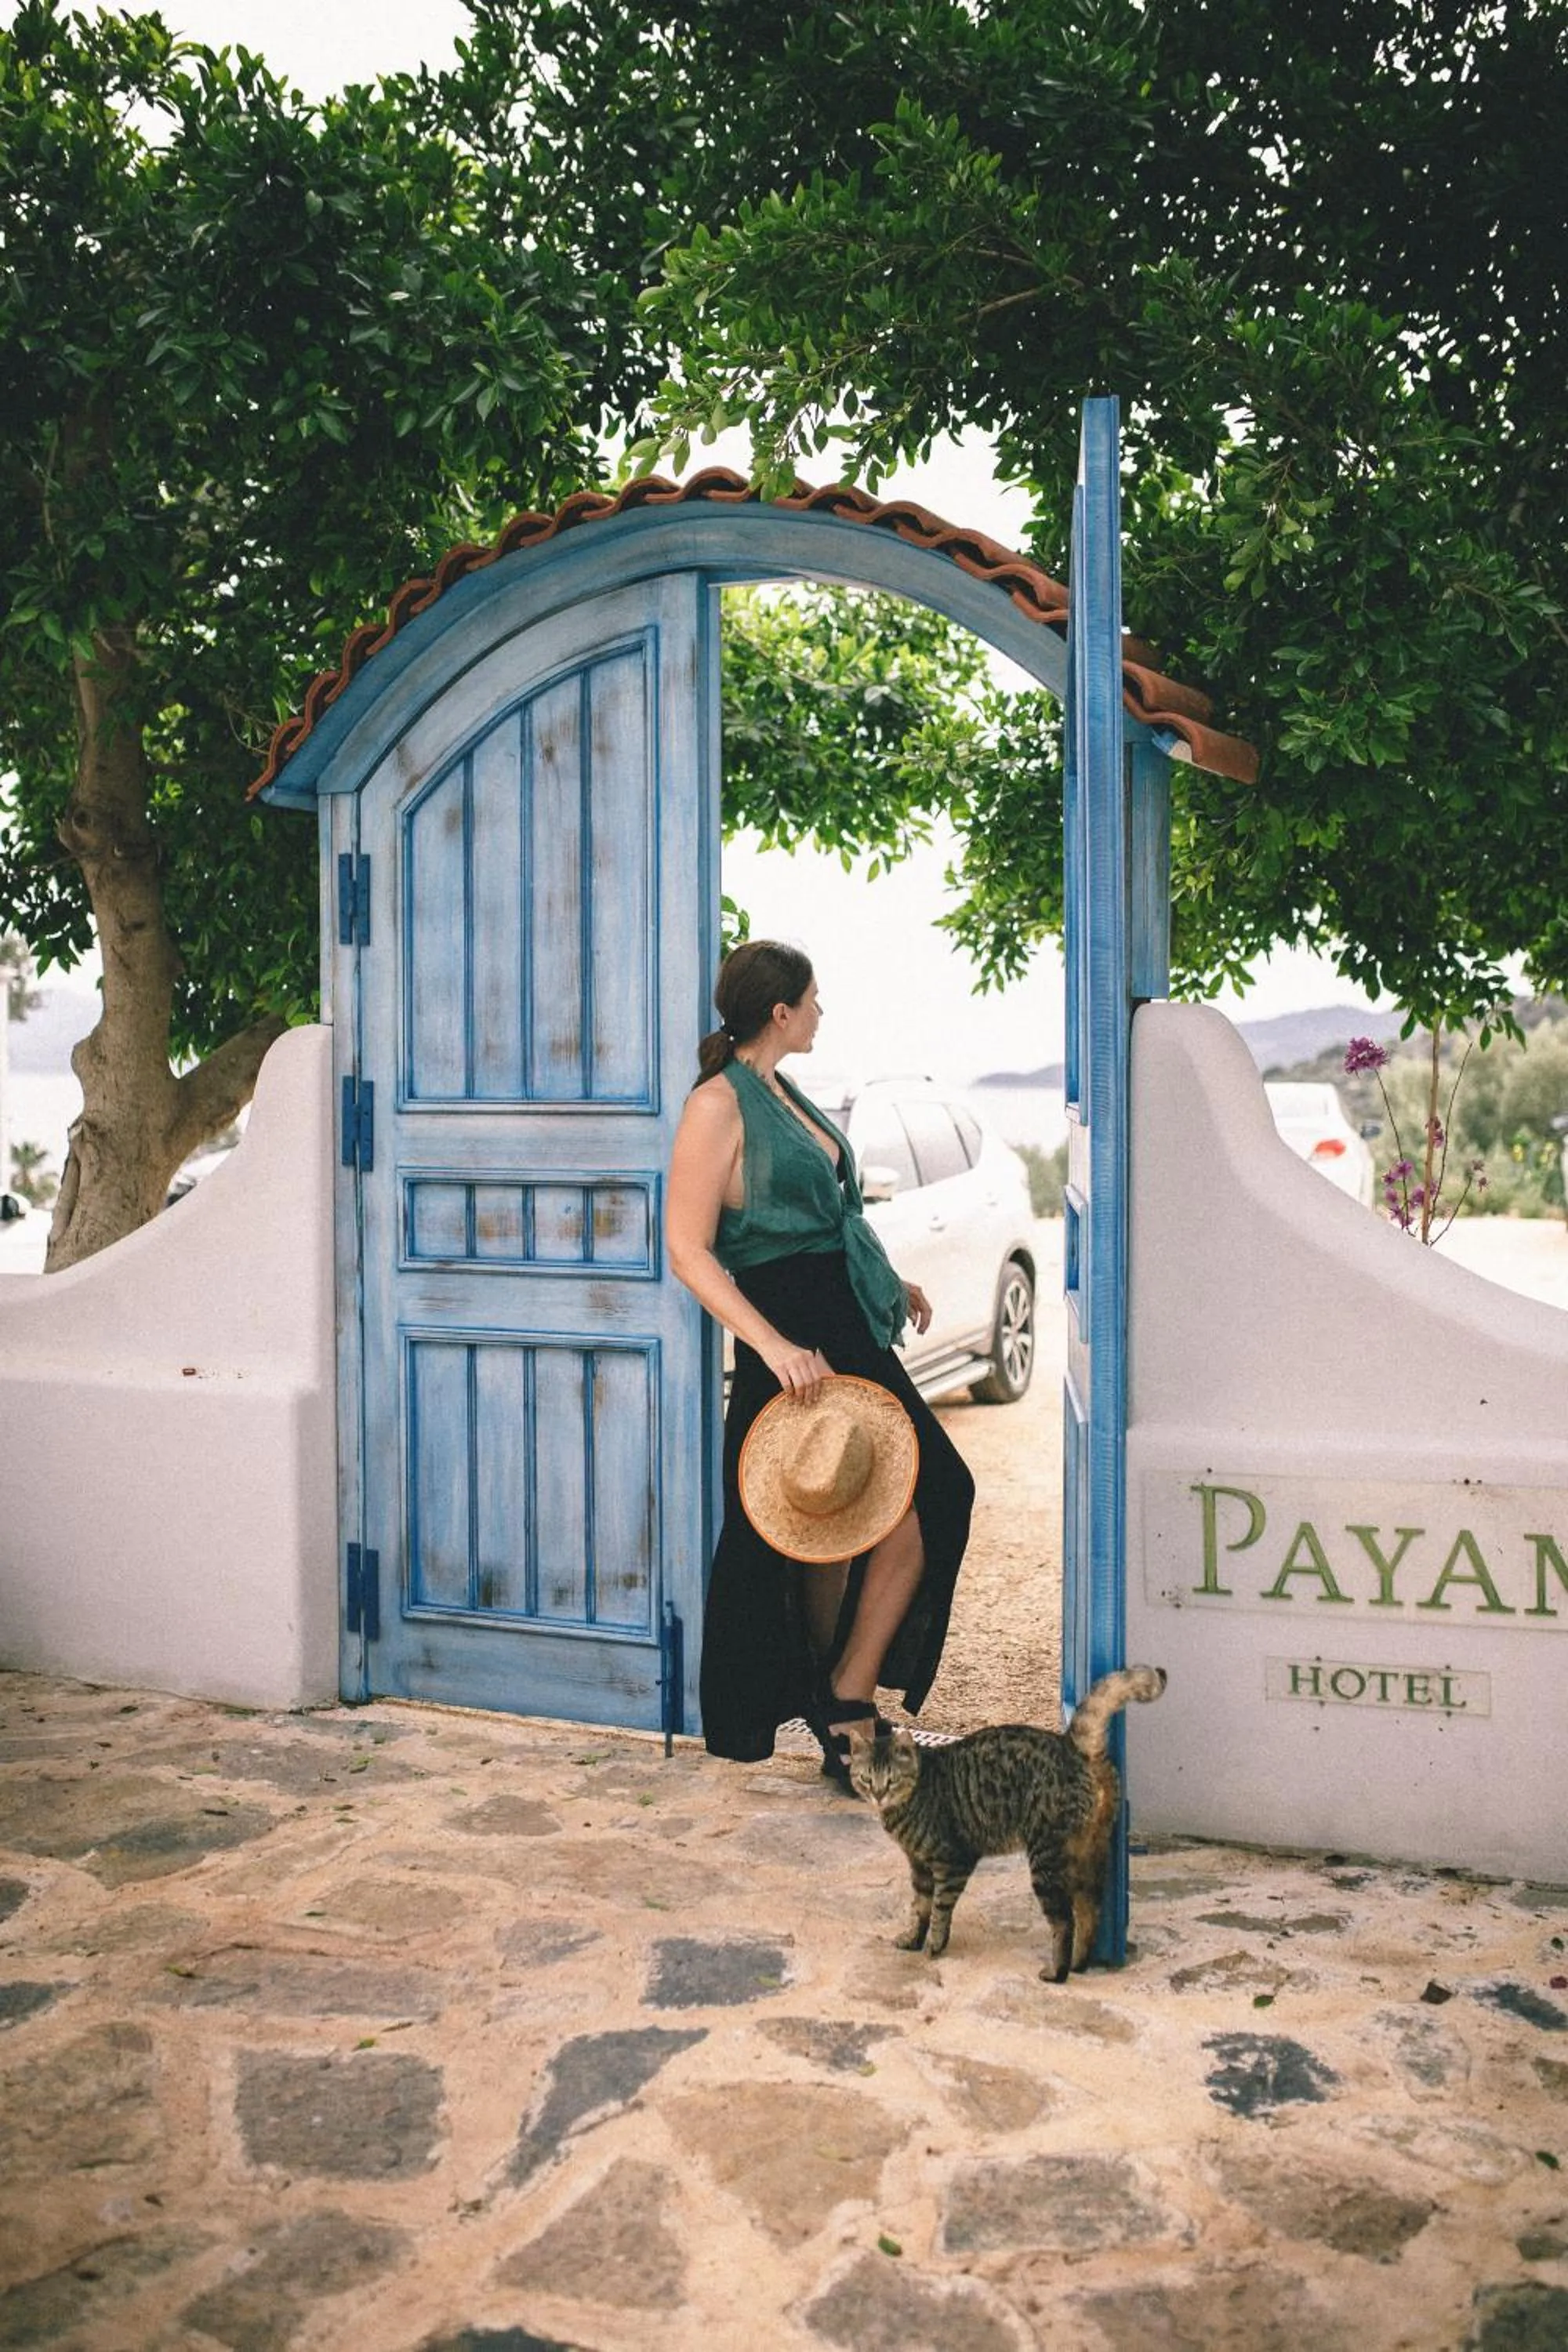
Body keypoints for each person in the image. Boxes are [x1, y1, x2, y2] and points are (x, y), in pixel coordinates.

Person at [666, 938, 975, 1782]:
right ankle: (842, 1703)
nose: (820, 1013)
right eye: (812, 1000)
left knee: (882, 1509)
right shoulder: (716, 1106)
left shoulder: (779, 1088)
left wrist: (886, 1279)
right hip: (794, 1340)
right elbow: (687, 1249)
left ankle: (844, 1697)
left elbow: (823, 1220)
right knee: (824, 1521)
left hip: (844, 1322)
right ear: (780, 1012)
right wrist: (772, 1346)